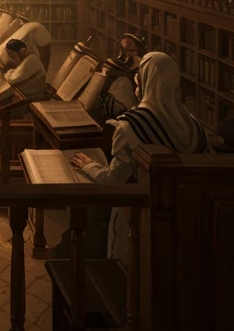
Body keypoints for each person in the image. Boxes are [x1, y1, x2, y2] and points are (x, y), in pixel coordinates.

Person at [71, 51, 210, 260]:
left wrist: (89, 166)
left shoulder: (130, 125)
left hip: (140, 220)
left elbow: (114, 180)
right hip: (187, 218)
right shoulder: (194, 124)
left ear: (146, 83)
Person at [94, 33, 143, 120]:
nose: (126, 48)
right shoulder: (119, 58)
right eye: (124, 44)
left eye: (130, 45)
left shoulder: (139, 63)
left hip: (127, 94)